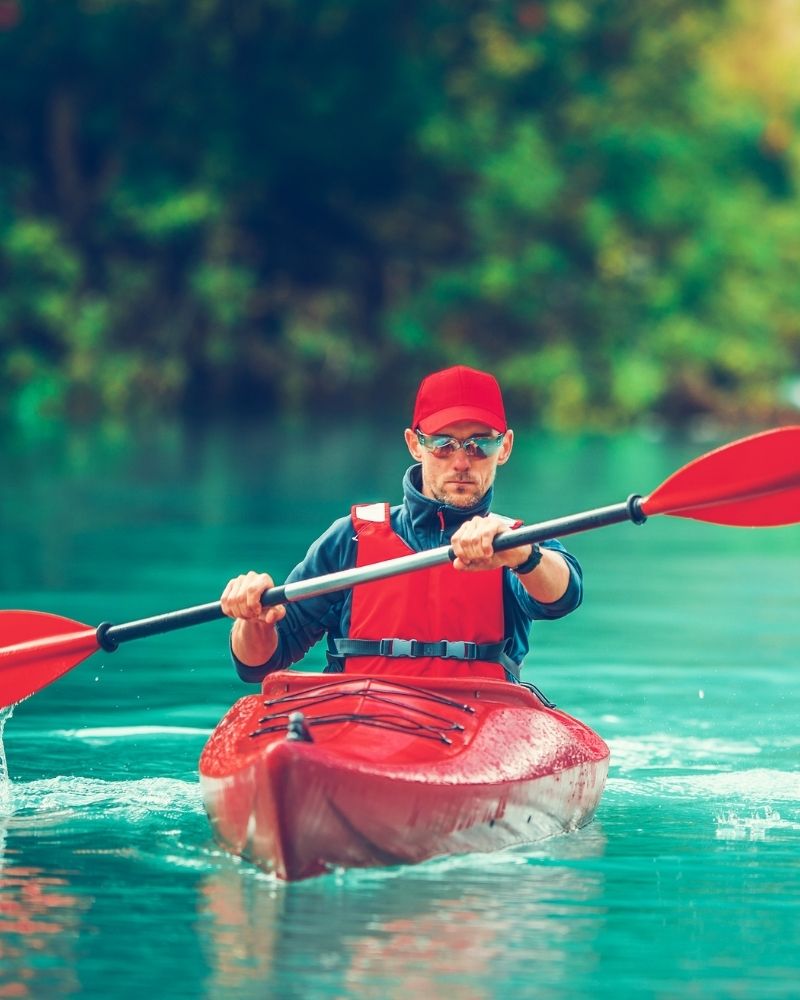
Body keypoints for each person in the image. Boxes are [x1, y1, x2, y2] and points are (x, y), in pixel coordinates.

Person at [221, 365, 582, 684]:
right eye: (443, 444)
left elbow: (564, 596)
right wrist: (252, 619)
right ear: (415, 444)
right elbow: (258, 664)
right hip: (358, 725)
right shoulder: (350, 538)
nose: (460, 462)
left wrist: (521, 554)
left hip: (479, 730)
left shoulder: (515, 542)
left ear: (504, 449)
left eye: (479, 445)